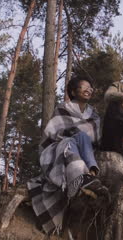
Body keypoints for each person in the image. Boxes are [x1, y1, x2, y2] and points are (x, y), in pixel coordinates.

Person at [27, 76, 107, 234]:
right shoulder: (62, 108)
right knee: (75, 140)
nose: (88, 89)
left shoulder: (94, 114)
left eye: (90, 87)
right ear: (73, 91)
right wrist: (77, 133)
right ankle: (86, 176)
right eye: (84, 86)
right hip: (59, 148)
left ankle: (88, 176)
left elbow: (97, 137)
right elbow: (53, 132)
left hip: (87, 151)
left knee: (82, 138)